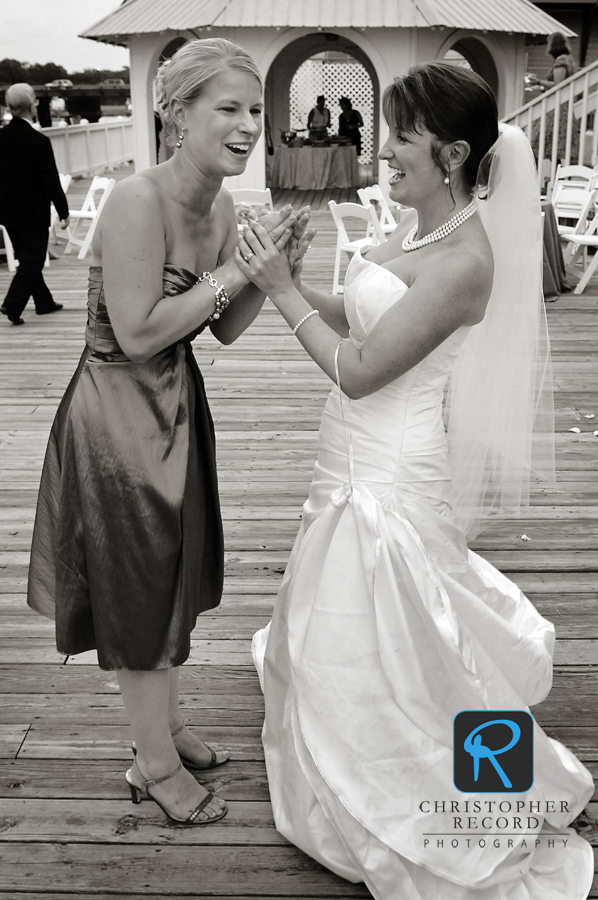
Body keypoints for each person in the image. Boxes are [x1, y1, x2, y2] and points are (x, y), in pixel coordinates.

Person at [240, 63, 594, 898]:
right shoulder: (418, 230)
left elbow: (360, 371)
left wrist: (279, 291)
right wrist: (302, 280)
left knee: (411, 639)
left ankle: (446, 797)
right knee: (350, 638)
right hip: (349, 465)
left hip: (389, 475)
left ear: (454, 152)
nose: (384, 151)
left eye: (403, 135)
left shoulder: (467, 261)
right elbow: (364, 316)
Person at [27, 38, 309, 828]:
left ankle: (168, 727)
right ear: (177, 113)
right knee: (140, 589)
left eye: (256, 110)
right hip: (117, 414)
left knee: (169, 576)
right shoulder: (134, 201)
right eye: (229, 109)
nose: (251, 126)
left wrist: (270, 268)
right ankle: (150, 765)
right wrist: (231, 275)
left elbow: (222, 331)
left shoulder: (219, 207)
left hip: (177, 408)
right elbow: (142, 331)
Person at [0, 83, 68, 325]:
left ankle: (43, 301)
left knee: (27, 257)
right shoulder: (37, 140)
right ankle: (12, 304)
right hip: (32, 211)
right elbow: (50, 178)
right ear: (30, 106)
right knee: (34, 258)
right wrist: (63, 211)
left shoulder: (2, 137)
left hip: (6, 211)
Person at [528, 32, 578, 163]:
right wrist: (543, 89)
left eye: (549, 43)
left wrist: (538, 82)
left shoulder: (561, 61)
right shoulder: (569, 59)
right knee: (554, 145)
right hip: (563, 106)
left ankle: (535, 176)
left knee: (538, 139)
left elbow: (558, 84)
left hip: (557, 108)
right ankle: (556, 177)